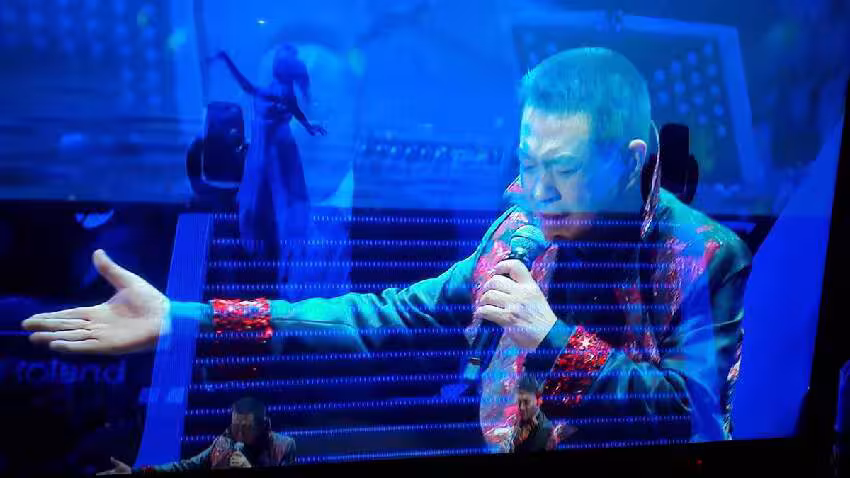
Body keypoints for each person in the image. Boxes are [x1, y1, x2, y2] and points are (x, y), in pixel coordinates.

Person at [23, 47, 751, 450]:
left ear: (628, 162)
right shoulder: (520, 229)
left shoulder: (703, 257)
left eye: (559, 170)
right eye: (527, 163)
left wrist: (552, 339)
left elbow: (694, 419)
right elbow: (387, 318)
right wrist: (188, 319)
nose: (534, 189)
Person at [209, 46, 326, 261]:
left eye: (281, 62)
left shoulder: (282, 90)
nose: (276, 64)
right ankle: (263, 245)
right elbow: (293, 109)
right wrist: (308, 126)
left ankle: (271, 246)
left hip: (274, 151)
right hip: (266, 149)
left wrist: (227, 62)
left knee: (271, 194)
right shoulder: (280, 89)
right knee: (264, 195)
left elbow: (249, 88)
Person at [97, 397, 295, 474]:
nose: (239, 434)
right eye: (235, 426)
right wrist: (134, 472)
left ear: (261, 426)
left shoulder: (284, 446)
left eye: (246, 428)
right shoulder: (223, 443)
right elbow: (185, 466)